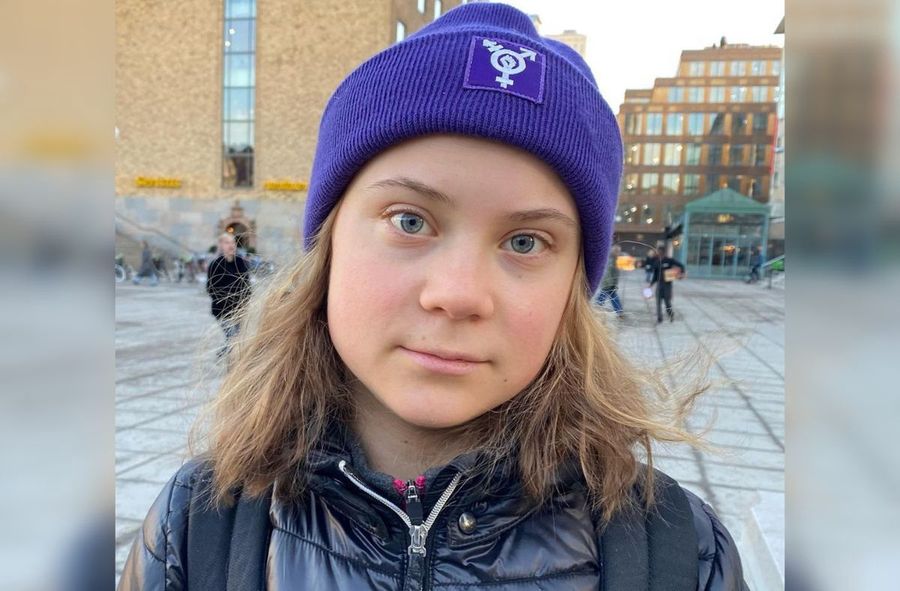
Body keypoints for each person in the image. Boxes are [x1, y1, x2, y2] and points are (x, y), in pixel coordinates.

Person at [120, 5, 745, 590]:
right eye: (410, 221)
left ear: (573, 291)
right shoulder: (200, 526)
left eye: (525, 242)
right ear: (329, 246)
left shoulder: (677, 554)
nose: (458, 295)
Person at [205, 233, 252, 358]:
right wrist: (227, 299)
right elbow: (211, 288)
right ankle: (226, 358)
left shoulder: (241, 262)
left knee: (236, 337)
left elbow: (246, 284)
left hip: (239, 309)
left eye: (233, 242)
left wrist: (245, 301)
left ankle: (226, 356)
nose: (231, 245)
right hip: (223, 310)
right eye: (227, 242)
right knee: (232, 337)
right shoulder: (215, 264)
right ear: (221, 245)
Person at [647, 244, 687, 323]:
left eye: (660, 251)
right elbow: (655, 275)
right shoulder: (656, 262)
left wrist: (681, 274)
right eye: (658, 251)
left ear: (663, 252)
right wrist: (650, 284)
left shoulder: (669, 260)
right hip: (659, 285)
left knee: (667, 303)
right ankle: (659, 318)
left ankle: (671, 314)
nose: (659, 253)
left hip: (667, 285)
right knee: (658, 302)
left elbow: (681, 266)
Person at [594, 244, 623, 316]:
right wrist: (612, 283)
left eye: (619, 251)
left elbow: (615, 273)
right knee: (609, 297)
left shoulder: (614, 260)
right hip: (608, 283)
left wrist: (614, 283)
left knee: (604, 297)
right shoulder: (611, 259)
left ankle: (596, 309)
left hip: (609, 283)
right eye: (617, 251)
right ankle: (619, 311)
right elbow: (608, 273)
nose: (618, 253)